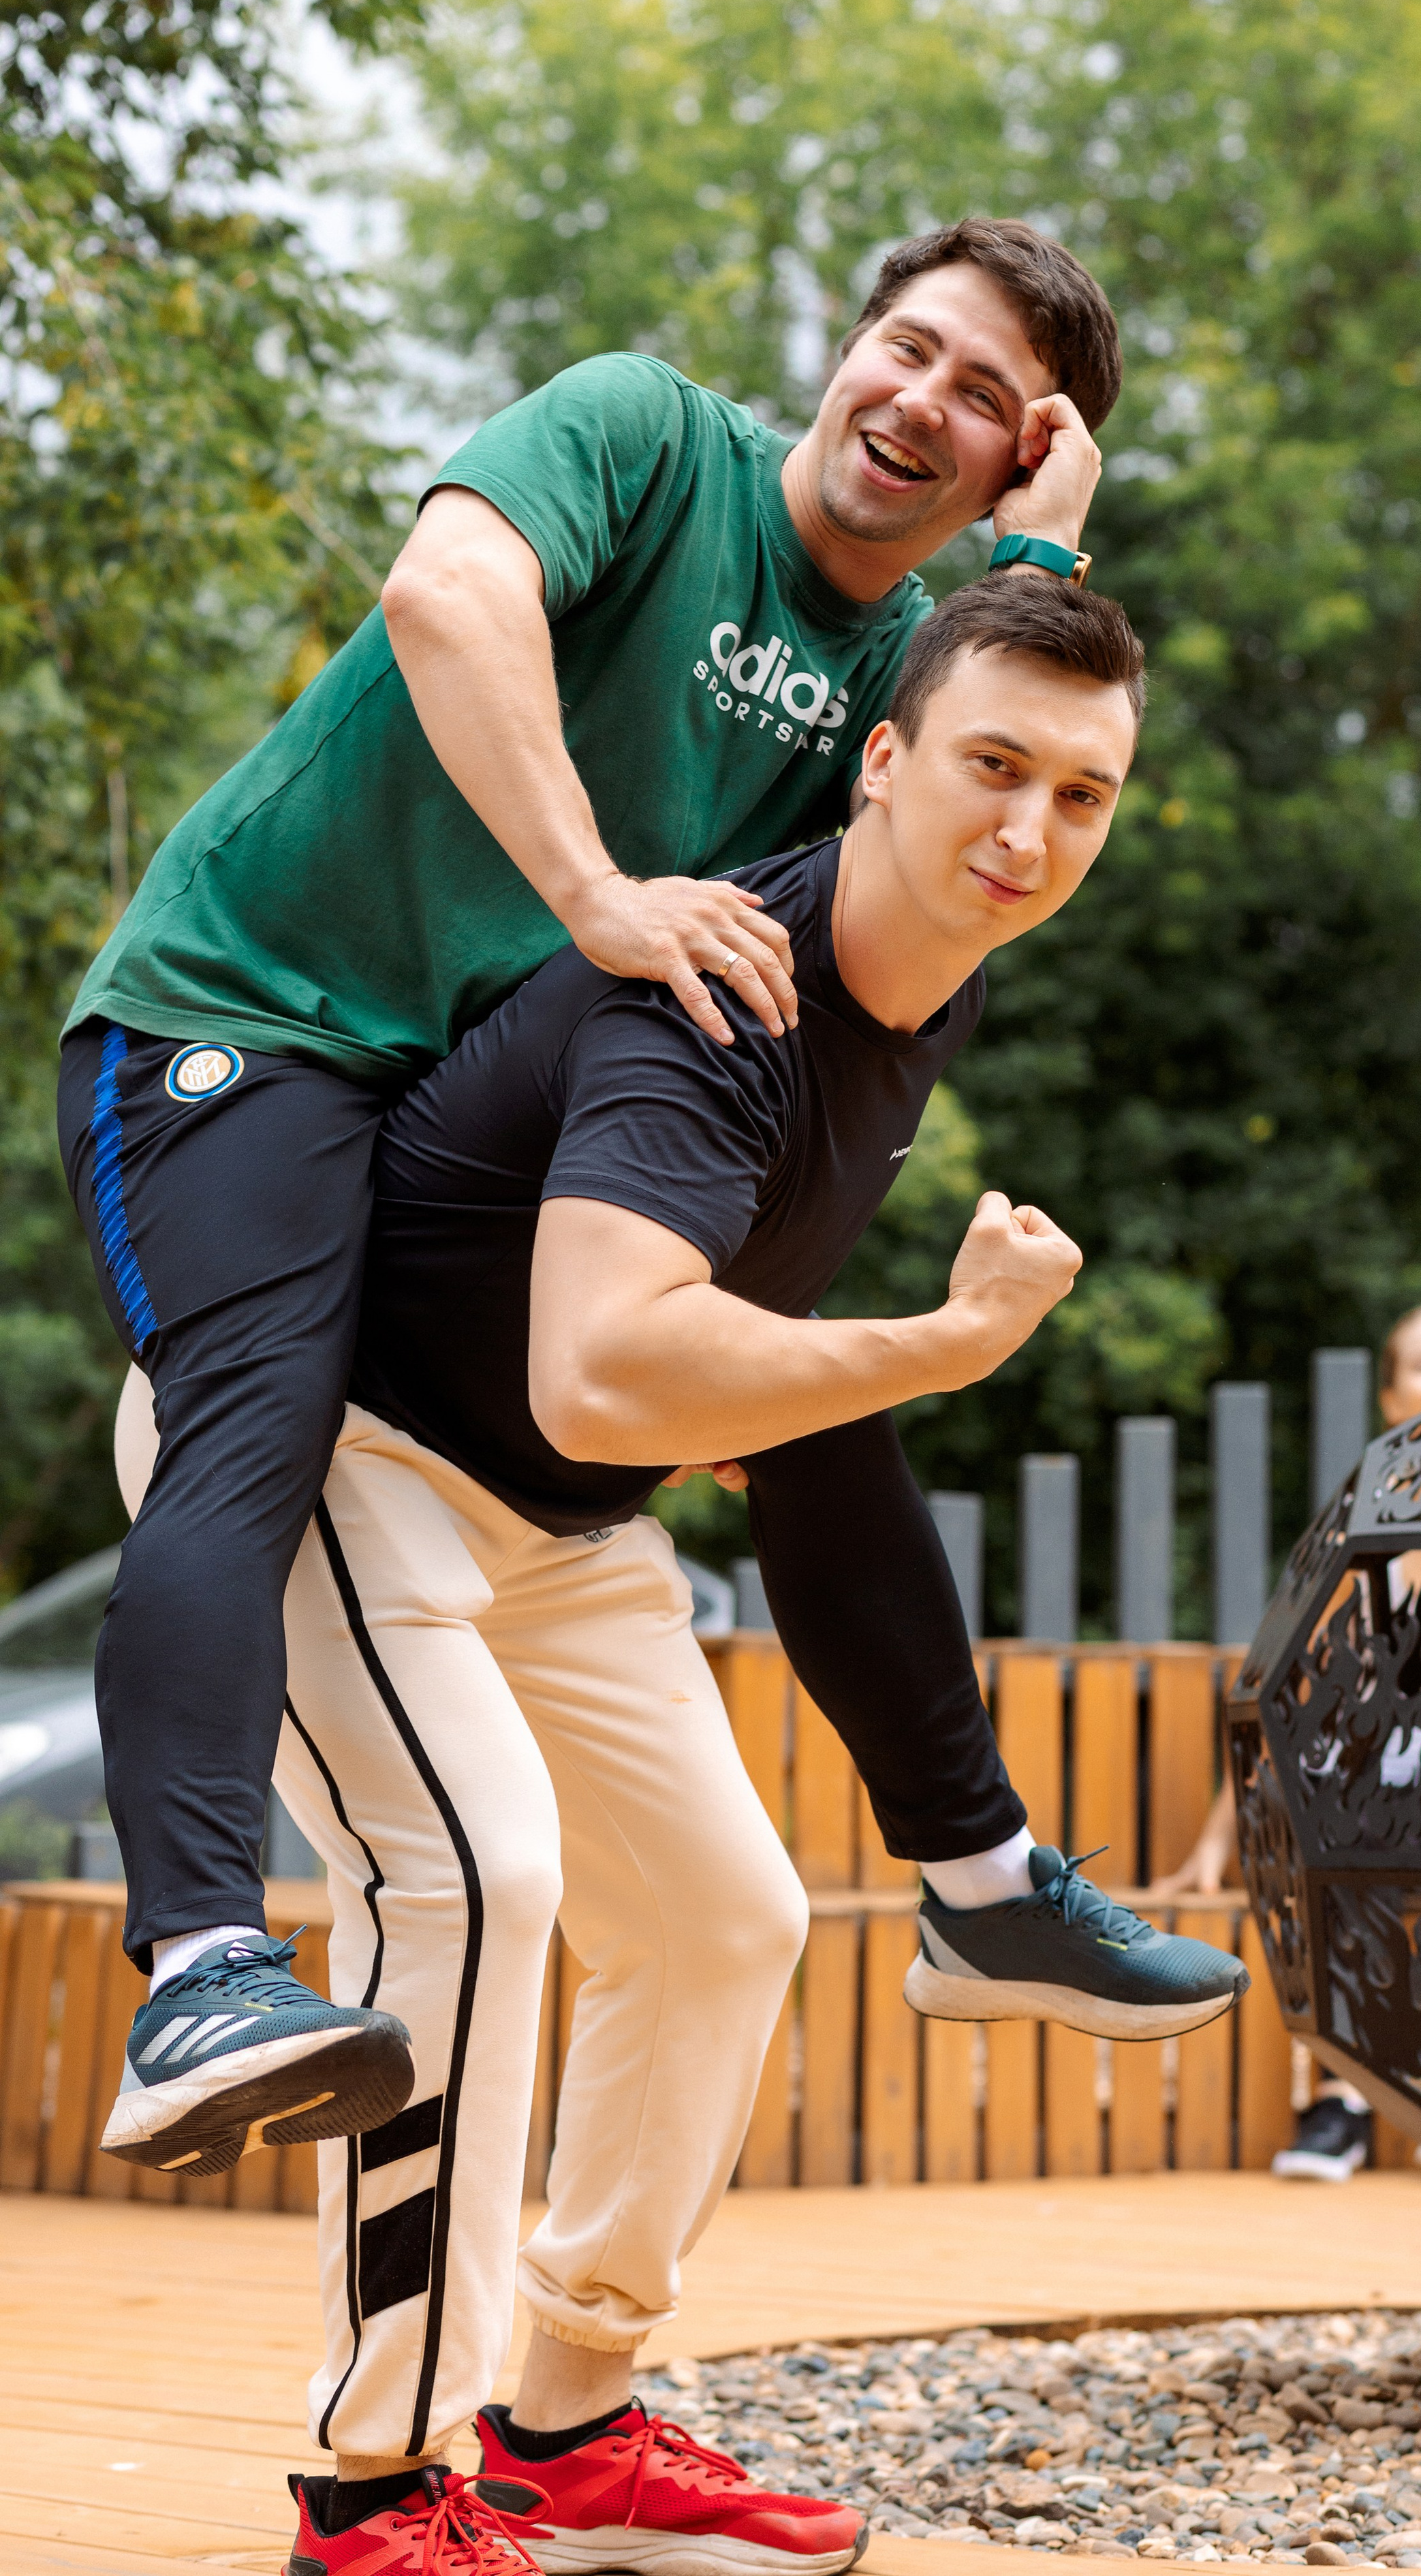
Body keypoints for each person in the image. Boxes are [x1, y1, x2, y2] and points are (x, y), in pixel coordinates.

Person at [116, 581, 1249, 2575]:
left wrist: (1048, 540)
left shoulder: (935, 975)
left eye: (1082, 795)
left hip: (561, 1522)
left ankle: (568, 2424)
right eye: (991, 767)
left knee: (726, 1917)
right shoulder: (720, 992)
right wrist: (941, 1344)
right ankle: (374, 2492)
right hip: (348, 1461)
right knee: (475, 1880)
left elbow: (653, 1370)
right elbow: (601, 1363)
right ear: (878, 762)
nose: (1028, 831)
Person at [57, 219, 1123, 2180]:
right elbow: (445, 594)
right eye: (906, 347)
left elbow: (975, 788)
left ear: (1015, 459)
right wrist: (596, 892)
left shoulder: (899, 668)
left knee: (804, 1385)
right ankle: (199, 1969)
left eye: (984, 397)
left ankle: (981, 1880)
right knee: (255, 1416)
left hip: (460, 1111)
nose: (918, 400)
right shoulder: (645, 436)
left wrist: (1044, 560)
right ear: (848, 349)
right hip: (255, 1017)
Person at [1155, 1303, 1421, 2181]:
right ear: (1391, 1397)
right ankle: (1352, 2096)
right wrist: (1221, 1836)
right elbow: (1299, 1694)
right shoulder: (1362, 1530)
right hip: (1383, 1783)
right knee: (1360, 1826)